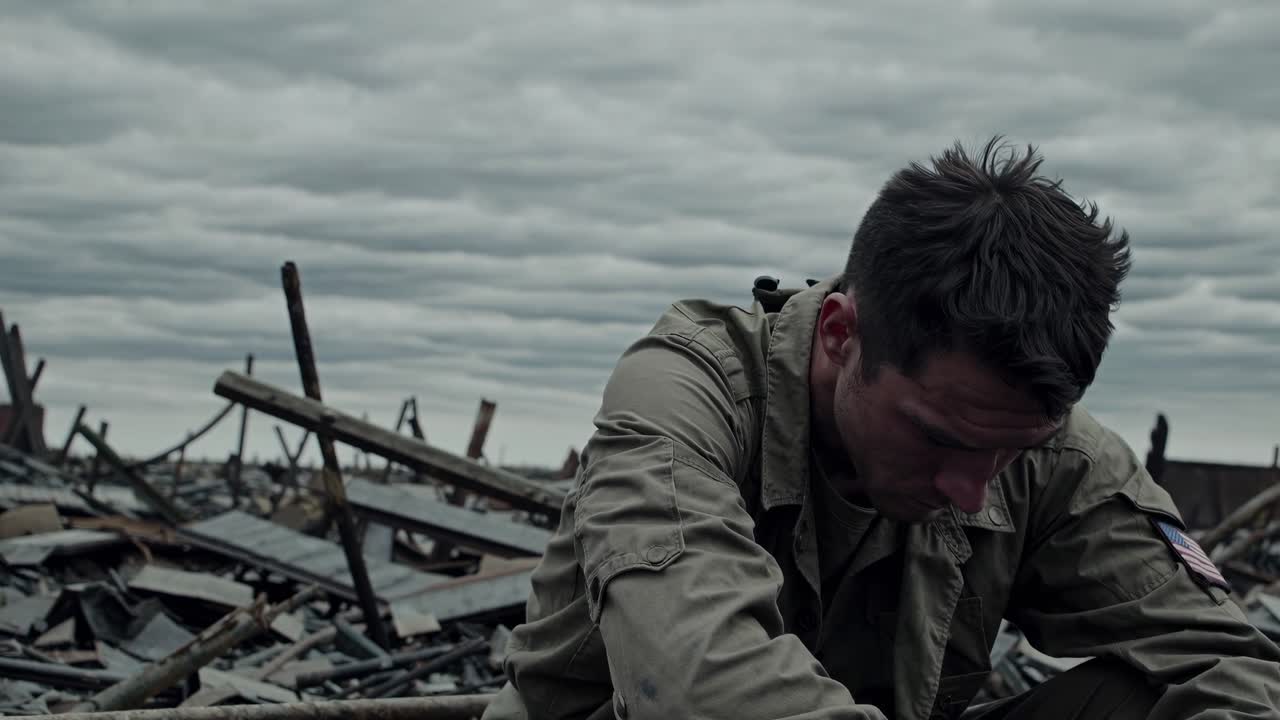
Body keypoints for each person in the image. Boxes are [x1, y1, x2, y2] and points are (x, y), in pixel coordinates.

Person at [481, 137, 1280, 719]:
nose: (972, 491)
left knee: (1149, 697)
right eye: (940, 438)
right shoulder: (689, 395)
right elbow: (698, 689)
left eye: (1013, 449)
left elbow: (1237, 670)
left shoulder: (1049, 453)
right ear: (838, 333)